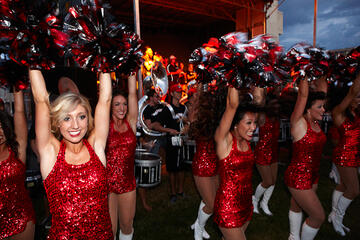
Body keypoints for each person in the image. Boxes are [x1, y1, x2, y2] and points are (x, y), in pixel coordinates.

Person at [29, 69, 113, 239]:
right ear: (57, 122)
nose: (75, 125)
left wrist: (106, 58)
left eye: (81, 117)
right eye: (67, 118)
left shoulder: (97, 147)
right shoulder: (51, 153)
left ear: (88, 119)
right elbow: (41, 100)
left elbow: (105, 100)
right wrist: (32, 59)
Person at [284, 76, 327, 240]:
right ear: (308, 109)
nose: (324, 109)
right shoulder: (299, 123)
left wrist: (321, 69)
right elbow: (303, 96)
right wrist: (303, 70)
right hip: (298, 177)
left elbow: (323, 88)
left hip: (313, 175)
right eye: (320, 107)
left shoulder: (316, 122)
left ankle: (294, 237)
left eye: (324, 106)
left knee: (297, 205)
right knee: (318, 217)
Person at [213, 87, 258, 240]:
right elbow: (232, 105)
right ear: (236, 124)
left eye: (255, 123)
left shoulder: (246, 140)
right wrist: (234, 75)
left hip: (246, 204)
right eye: (249, 123)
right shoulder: (225, 141)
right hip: (228, 208)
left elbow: (259, 98)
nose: (254, 127)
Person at [189, 85, 224, 240]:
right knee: (211, 205)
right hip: (201, 165)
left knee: (212, 199)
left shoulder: (216, 119)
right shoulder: (196, 117)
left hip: (214, 163)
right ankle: (198, 228)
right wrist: (200, 85)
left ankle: (198, 223)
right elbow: (194, 109)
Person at [0, 89, 35, 239]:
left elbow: (19, 111)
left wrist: (17, 84)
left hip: (22, 218)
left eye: (1, 126)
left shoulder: (17, 150)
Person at [106, 73, 137, 240]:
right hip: (107, 186)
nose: (122, 108)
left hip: (128, 183)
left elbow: (133, 93)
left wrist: (131, 69)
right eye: (117, 104)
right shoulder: (104, 126)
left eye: (124, 104)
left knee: (127, 225)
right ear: (110, 106)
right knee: (110, 230)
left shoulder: (130, 122)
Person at [328, 74, 360, 236]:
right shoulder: (339, 113)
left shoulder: (356, 114)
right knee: (354, 190)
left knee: (343, 186)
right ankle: (337, 218)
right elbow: (351, 93)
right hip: (344, 155)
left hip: (354, 155)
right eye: (357, 97)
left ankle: (334, 214)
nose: (359, 99)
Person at [152, 84, 187, 203]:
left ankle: (181, 191)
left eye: (180, 91)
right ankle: (173, 193)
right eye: (177, 92)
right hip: (171, 141)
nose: (179, 93)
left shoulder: (184, 108)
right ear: (172, 94)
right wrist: (169, 130)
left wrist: (187, 127)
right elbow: (156, 125)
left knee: (182, 167)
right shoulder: (167, 109)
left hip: (182, 141)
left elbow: (188, 122)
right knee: (172, 168)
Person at [252, 88, 280, 216]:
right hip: (262, 152)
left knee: (273, 180)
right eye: (274, 104)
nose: (277, 106)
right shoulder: (262, 117)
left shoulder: (277, 118)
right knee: (267, 181)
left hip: (274, 151)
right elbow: (260, 104)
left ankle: (265, 203)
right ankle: (255, 200)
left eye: (278, 104)